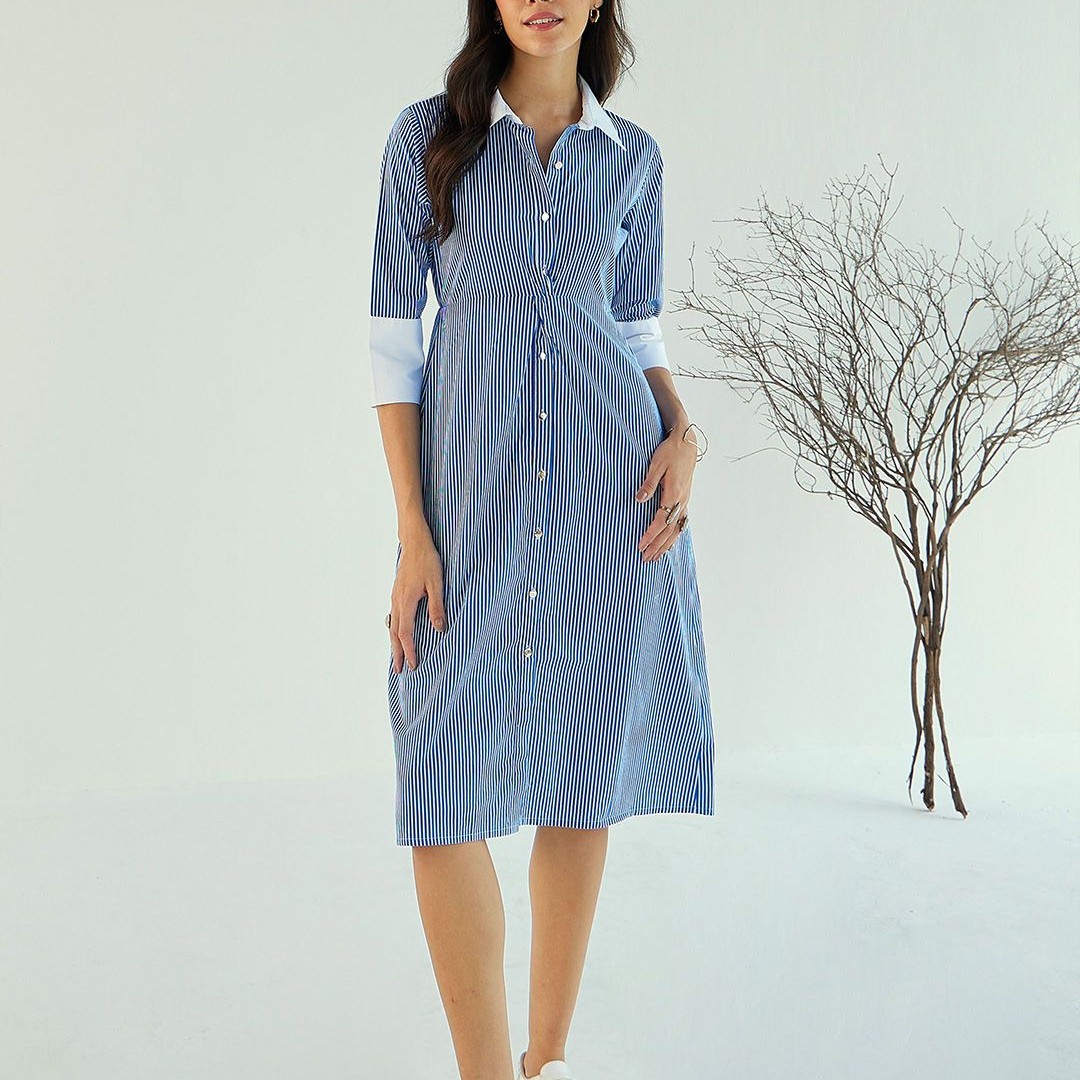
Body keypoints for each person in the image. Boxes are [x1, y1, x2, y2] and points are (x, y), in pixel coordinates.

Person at [368, 3, 715, 1078]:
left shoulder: (634, 157)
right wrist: (412, 528)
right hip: (466, 509)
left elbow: (636, 322)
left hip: (613, 500)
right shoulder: (431, 136)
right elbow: (393, 341)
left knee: (582, 772)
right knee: (440, 787)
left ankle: (547, 1062)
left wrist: (684, 431)